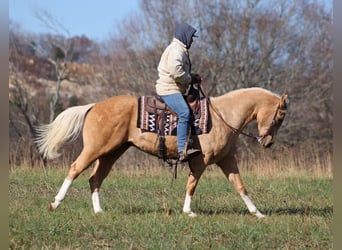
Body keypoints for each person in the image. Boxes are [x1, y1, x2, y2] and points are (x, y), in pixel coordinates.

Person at [155, 22, 202, 162]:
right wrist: (190, 79)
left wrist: (192, 77)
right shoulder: (177, 50)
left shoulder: (179, 49)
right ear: (185, 36)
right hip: (169, 89)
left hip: (174, 88)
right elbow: (176, 72)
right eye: (191, 37)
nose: (192, 40)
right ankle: (182, 150)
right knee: (184, 113)